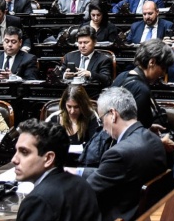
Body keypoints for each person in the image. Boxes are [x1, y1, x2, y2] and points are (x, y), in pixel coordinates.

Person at [71, 87, 168, 221]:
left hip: (116, 215)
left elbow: (87, 192)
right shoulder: (154, 140)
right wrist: (78, 171)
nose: (103, 128)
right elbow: (112, 173)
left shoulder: (119, 153)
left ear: (113, 114)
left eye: (101, 120)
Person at [12, 119, 102, 221]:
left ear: (49, 158)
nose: (14, 160)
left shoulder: (38, 201)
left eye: (24, 152)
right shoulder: (81, 183)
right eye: (16, 151)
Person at [112, 39, 174, 132]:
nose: (163, 73)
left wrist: (147, 128)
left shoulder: (121, 76)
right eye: (163, 68)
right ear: (152, 62)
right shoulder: (142, 90)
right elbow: (131, 132)